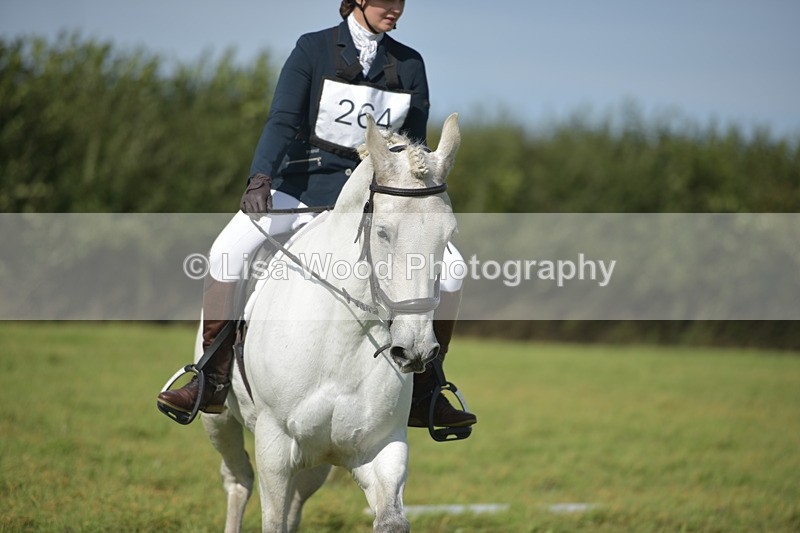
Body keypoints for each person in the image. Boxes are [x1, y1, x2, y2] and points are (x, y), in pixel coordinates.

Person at [157, 0, 477, 429]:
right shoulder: (313, 49)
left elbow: (412, 149)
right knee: (227, 252)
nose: (395, 9)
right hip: (302, 190)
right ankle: (210, 377)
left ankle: (426, 389)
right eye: (386, 0)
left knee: (453, 269)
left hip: (372, 203)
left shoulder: (410, 64)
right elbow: (282, 120)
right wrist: (260, 177)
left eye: (401, 1)